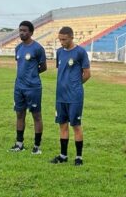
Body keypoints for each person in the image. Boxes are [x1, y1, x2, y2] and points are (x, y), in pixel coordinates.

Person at [50, 26, 90, 165]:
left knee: (76, 125)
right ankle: (63, 155)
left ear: (72, 37)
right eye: (60, 39)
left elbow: (87, 74)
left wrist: (76, 85)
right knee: (62, 125)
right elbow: (61, 71)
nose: (61, 42)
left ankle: (79, 157)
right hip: (60, 96)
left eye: (64, 39)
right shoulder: (59, 52)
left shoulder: (80, 52)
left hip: (74, 97)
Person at [9, 21, 47, 154]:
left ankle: (37, 146)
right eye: (20, 30)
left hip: (33, 88)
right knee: (19, 115)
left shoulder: (38, 48)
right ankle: (19, 144)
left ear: (31, 32)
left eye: (24, 30)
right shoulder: (18, 48)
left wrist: (32, 75)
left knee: (36, 116)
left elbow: (43, 67)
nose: (22, 33)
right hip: (19, 87)